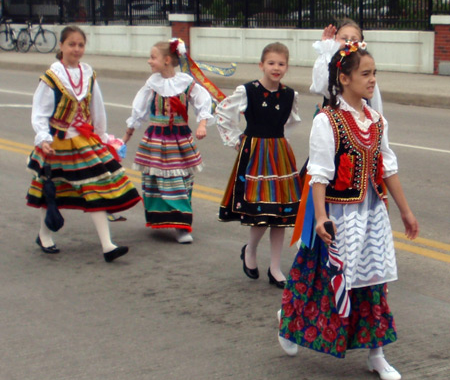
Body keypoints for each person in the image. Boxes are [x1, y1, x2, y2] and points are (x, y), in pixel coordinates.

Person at [277, 41, 419, 380]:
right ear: (343, 78)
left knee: (373, 282)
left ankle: (376, 353)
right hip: (338, 217)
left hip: (370, 213)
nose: (372, 80)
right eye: (365, 74)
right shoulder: (329, 121)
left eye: (374, 74)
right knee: (318, 278)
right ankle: (289, 323)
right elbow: (319, 175)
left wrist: (405, 212)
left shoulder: (376, 120)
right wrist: (322, 217)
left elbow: (387, 168)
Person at [27, 26, 141, 262]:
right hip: (58, 142)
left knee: (95, 187)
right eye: (71, 44)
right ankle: (44, 234)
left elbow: (96, 109)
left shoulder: (88, 74)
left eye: (80, 45)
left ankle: (108, 245)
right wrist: (44, 138)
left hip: (84, 140)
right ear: (61, 46)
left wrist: (101, 136)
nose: (76, 49)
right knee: (52, 189)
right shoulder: (52, 77)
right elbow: (40, 113)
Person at [216, 42, 302, 288]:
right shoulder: (248, 91)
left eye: (281, 64)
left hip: (279, 153)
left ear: (287, 67)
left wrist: (277, 141)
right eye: (271, 63)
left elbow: (291, 122)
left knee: (281, 213)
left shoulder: (289, 95)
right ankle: (250, 250)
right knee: (260, 211)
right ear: (261, 65)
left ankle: (275, 267)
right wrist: (236, 141)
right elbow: (223, 113)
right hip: (255, 154)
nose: (276, 68)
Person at [123, 39, 214, 244]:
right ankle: (161, 219)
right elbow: (138, 110)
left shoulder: (185, 83)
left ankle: (182, 225)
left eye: (152, 57)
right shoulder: (152, 84)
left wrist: (202, 124)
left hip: (179, 138)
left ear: (166, 60)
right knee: (156, 180)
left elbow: (203, 101)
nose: (149, 61)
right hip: (156, 138)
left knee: (180, 180)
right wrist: (127, 136)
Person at [310, 18, 383, 114]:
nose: (349, 42)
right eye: (344, 38)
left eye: (354, 39)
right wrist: (327, 49)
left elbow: (375, 101)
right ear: (335, 40)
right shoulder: (330, 62)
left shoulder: (365, 63)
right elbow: (320, 87)